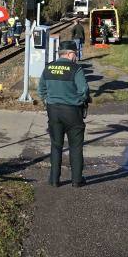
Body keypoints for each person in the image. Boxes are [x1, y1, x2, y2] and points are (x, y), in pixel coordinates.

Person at [38, 40, 89, 187]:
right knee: (75, 146)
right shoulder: (75, 69)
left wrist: (50, 101)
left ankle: (54, 180)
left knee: (56, 145)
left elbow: (41, 90)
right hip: (72, 112)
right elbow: (84, 91)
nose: (76, 57)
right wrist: (77, 100)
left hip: (53, 111)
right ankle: (77, 181)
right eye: (75, 53)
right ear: (69, 53)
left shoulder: (48, 68)